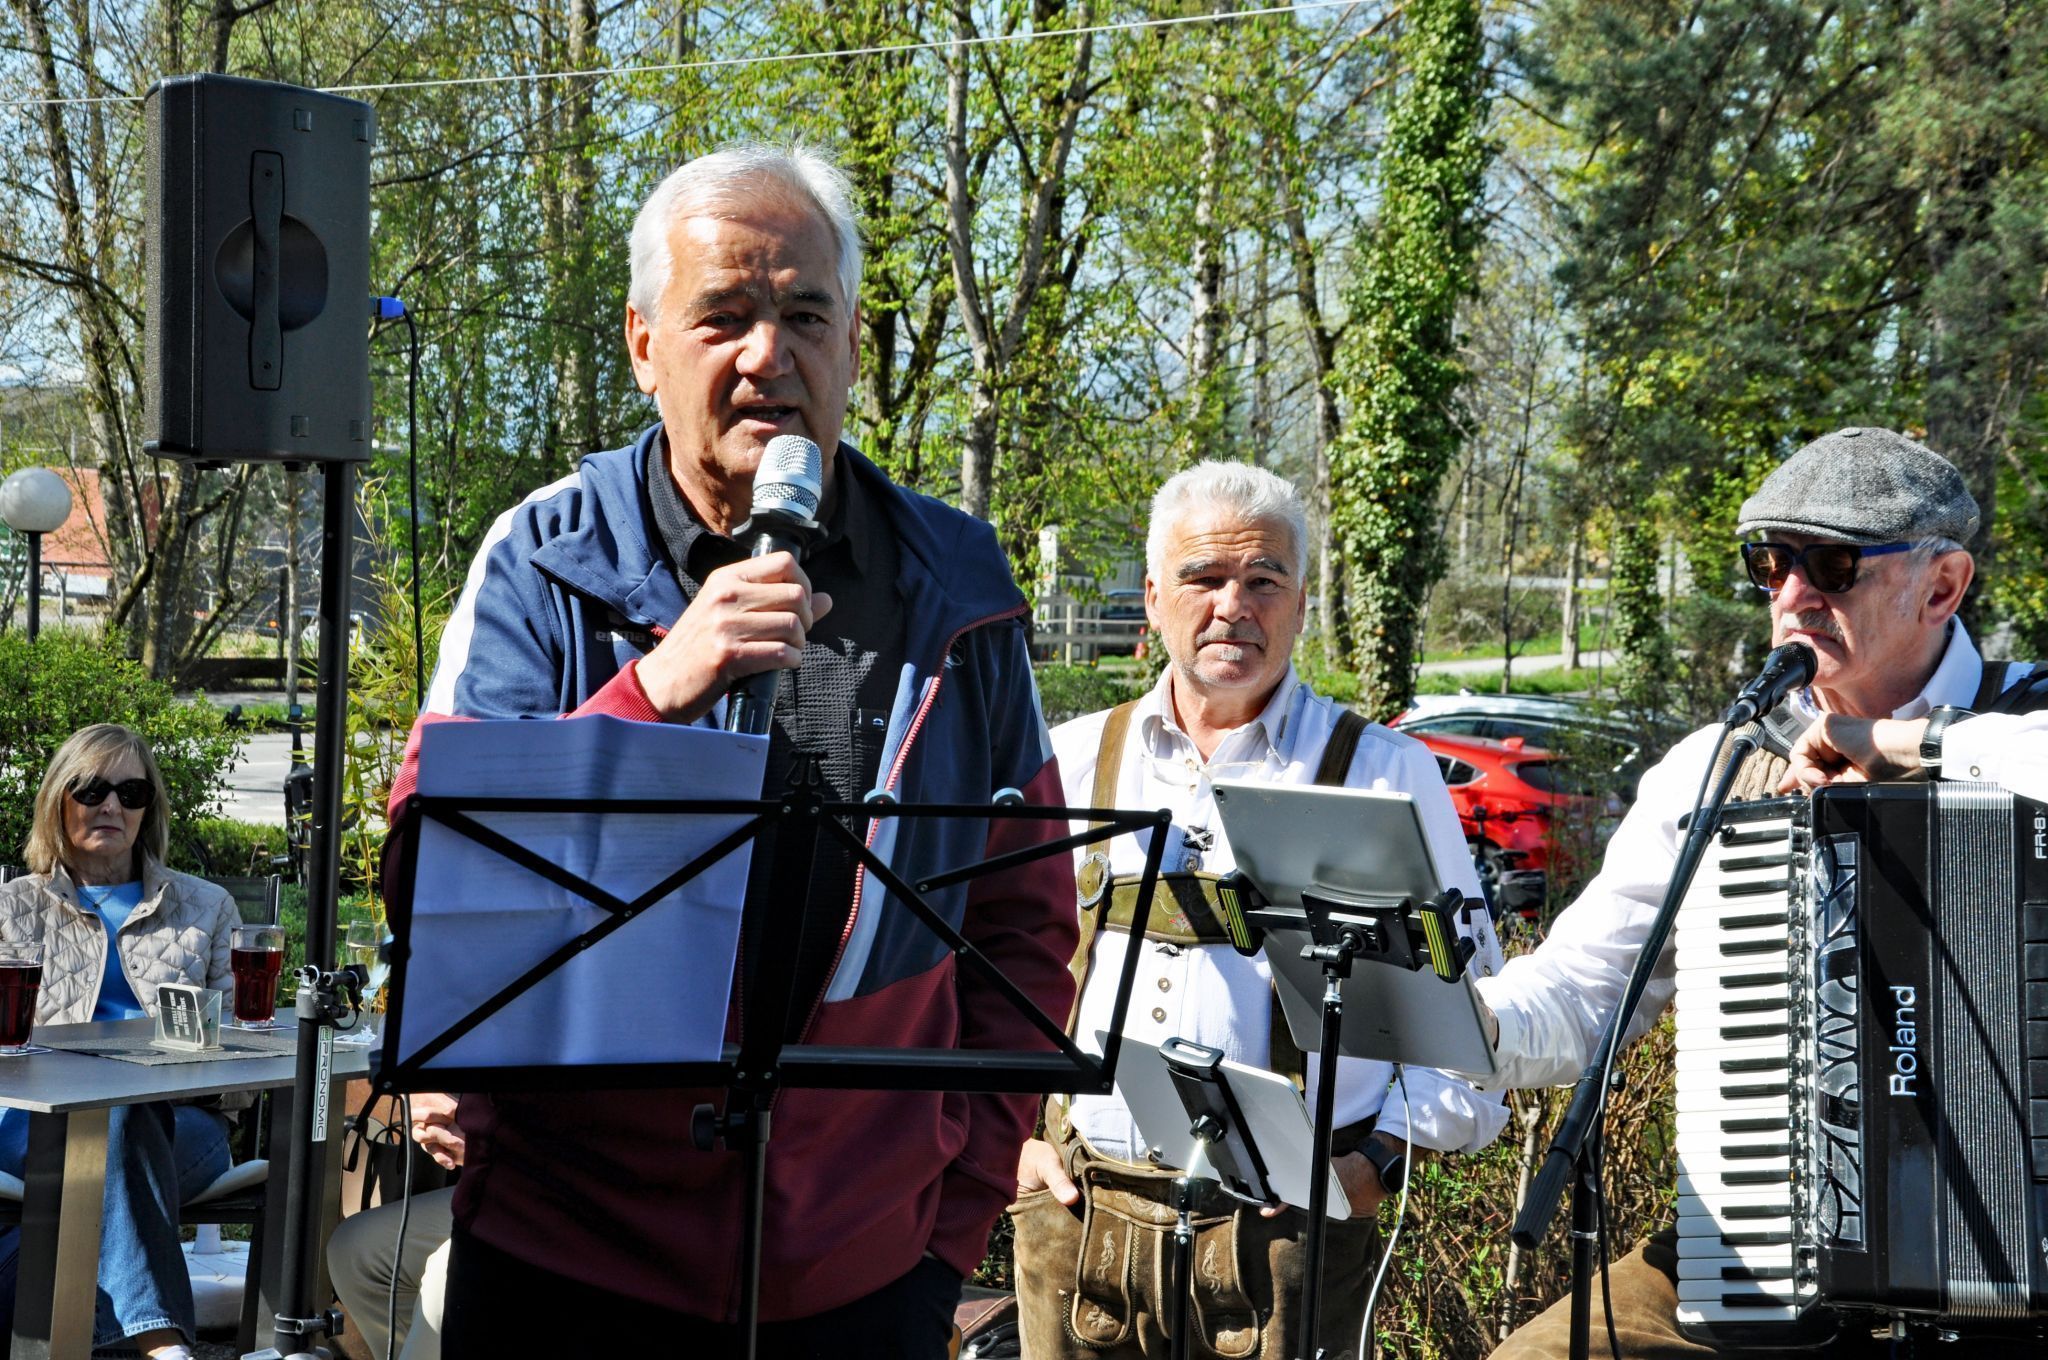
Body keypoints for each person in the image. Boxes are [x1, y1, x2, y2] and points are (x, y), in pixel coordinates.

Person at [388, 142, 1075, 1358]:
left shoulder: (953, 584)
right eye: (724, 315)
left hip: (865, 1269)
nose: (768, 353)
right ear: (644, 343)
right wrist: (658, 685)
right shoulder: (542, 556)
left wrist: (947, 1223)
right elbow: (428, 879)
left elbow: (1020, 919)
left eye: (805, 313)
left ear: (853, 343)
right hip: (567, 1254)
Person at [1477, 429, 2039, 1358]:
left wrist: (1905, 745)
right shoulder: (1723, 764)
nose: (1790, 595)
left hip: (2022, 1278)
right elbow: (1584, 989)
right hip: (1764, 1253)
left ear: (1943, 586)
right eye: (1770, 564)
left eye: (1833, 563)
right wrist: (1462, 1018)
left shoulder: (2024, 724)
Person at [1010, 462, 1508, 1360]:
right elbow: (988, 975)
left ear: (1301, 601)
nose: (1232, 604)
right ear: (1154, 597)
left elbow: (1475, 1033)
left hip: (1282, 1249)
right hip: (1080, 1225)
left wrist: (1376, 1165)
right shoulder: (1073, 760)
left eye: (1263, 580)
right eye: (1203, 578)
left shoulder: (1385, 773)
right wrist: (1016, 1144)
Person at [0, 723, 243, 1360]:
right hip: (34, 1124)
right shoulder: (11, 909)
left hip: (180, 1122)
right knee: (97, 1121)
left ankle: (152, 1343)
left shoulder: (205, 907)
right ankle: (164, 1348)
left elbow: (247, 1049)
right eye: (92, 788)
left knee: (121, 1109)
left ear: (148, 810)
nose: (111, 805)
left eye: (131, 792)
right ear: (59, 800)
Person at [326, 1092, 463, 1360]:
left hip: (558, 1194)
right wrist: (421, 1093)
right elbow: (393, 1051)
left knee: (449, 1268)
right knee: (356, 1249)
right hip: (496, 1185)